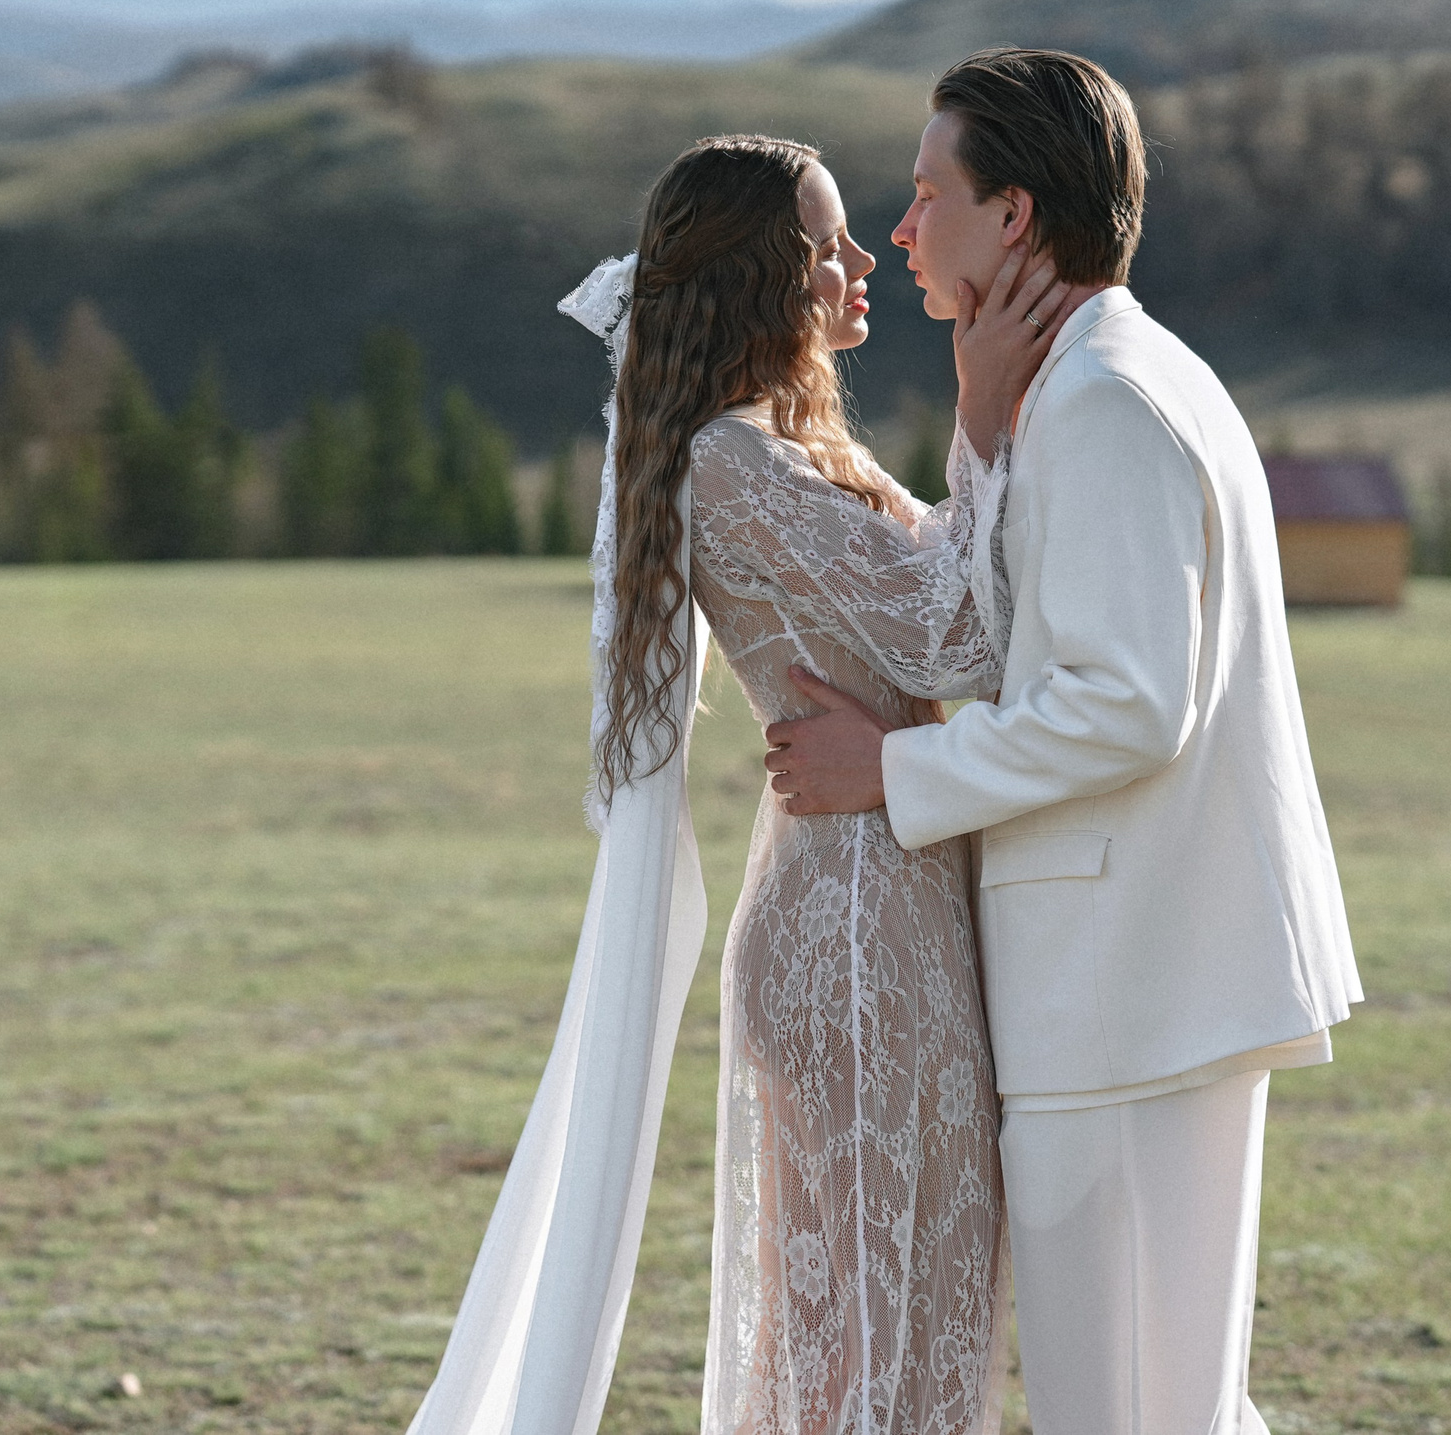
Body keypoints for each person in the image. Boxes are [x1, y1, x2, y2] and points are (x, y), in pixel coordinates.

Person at [407, 133, 1087, 1435]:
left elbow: (939, 593)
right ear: (762, 277)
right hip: (848, 931)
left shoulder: (796, 441)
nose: (857, 259)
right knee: (873, 1329)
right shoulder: (735, 461)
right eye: (823, 242)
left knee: (899, 1307)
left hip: (880, 899)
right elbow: (964, 637)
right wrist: (988, 419)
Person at [763, 49, 1365, 1435]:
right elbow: (1022, 632)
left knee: (1136, 1407)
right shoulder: (1094, 385)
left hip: (1128, 985)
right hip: (1136, 982)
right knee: (1164, 1400)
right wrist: (981, 434)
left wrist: (892, 772)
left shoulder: (1105, 401)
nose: (902, 231)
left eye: (927, 196)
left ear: (1015, 215)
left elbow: (1123, 698)